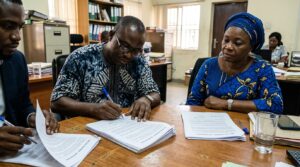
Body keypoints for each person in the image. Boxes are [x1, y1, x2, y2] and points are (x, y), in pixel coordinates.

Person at [51, 16, 161, 122]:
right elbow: (57, 102)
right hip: (85, 126)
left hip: (126, 125)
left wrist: (147, 99)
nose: (129, 55)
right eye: (124, 46)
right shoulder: (80, 58)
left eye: (136, 50)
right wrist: (93, 109)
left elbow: (154, 93)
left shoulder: (138, 61)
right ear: (111, 35)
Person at [186, 12, 283, 114]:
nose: (228, 47)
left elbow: (275, 105)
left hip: (244, 126)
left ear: (251, 47)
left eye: (238, 43)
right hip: (209, 124)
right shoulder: (208, 65)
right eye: (226, 40)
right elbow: (193, 102)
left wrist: (226, 104)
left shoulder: (262, 68)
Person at [0, 0, 59, 156]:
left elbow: (22, 104)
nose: (17, 37)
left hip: (17, 152)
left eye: (20, 27)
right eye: (7, 26)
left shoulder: (17, 60)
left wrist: (33, 117)